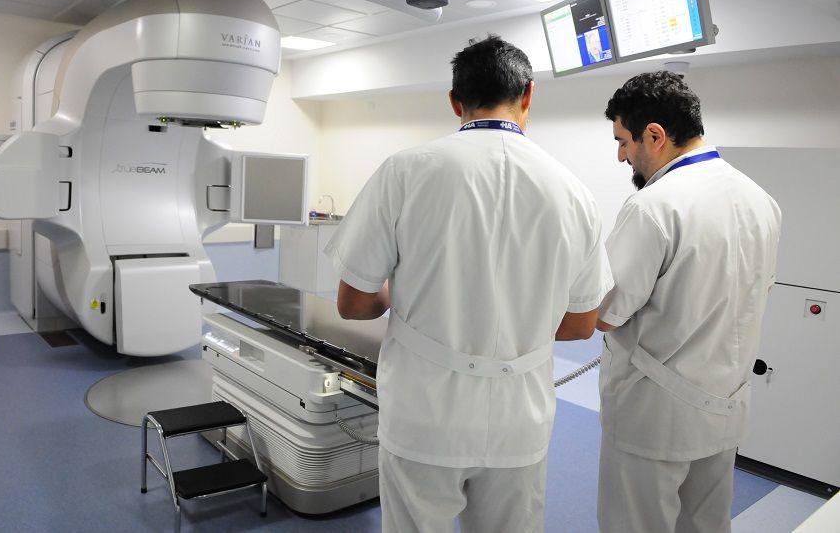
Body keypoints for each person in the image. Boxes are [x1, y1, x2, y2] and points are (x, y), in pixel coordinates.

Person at [322, 35, 613, 532]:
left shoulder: (405, 172)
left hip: (424, 412)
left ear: (455, 102)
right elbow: (582, 324)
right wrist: (522, 324)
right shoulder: (573, 192)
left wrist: (395, 295)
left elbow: (353, 303)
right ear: (528, 94)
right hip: (519, 418)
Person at [596, 71, 781, 533]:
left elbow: (606, 312)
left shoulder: (653, 206)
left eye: (623, 141)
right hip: (725, 405)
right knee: (707, 522)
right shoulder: (760, 199)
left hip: (655, 414)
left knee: (636, 523)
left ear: (655, 135)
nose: (621, 156)